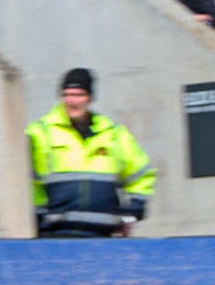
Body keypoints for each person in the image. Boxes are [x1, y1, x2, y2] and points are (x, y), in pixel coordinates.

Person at [29, 69, 156, 238]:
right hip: (55, 236)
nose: (72, 101)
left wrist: (132, 212)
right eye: (67, 94)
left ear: (90, 97)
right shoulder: (40, 133)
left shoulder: (113, 134)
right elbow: (25, 182)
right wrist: (37, 217)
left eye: (79, 95)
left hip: (103, 238)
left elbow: (142, 174)